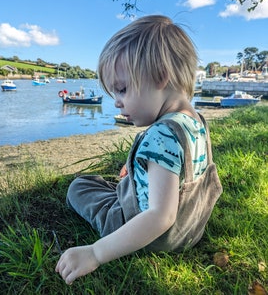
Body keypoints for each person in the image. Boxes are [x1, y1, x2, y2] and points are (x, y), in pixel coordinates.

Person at [55, 15, 222, 285]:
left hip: (155, 236)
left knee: (80, 187)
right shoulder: (195, 121)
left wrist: (95, 253)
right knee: (116, 183)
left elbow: (161, 215)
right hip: (190, 228)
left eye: (122, 89)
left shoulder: (160, 134)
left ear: (160, 76)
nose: (117, 103)